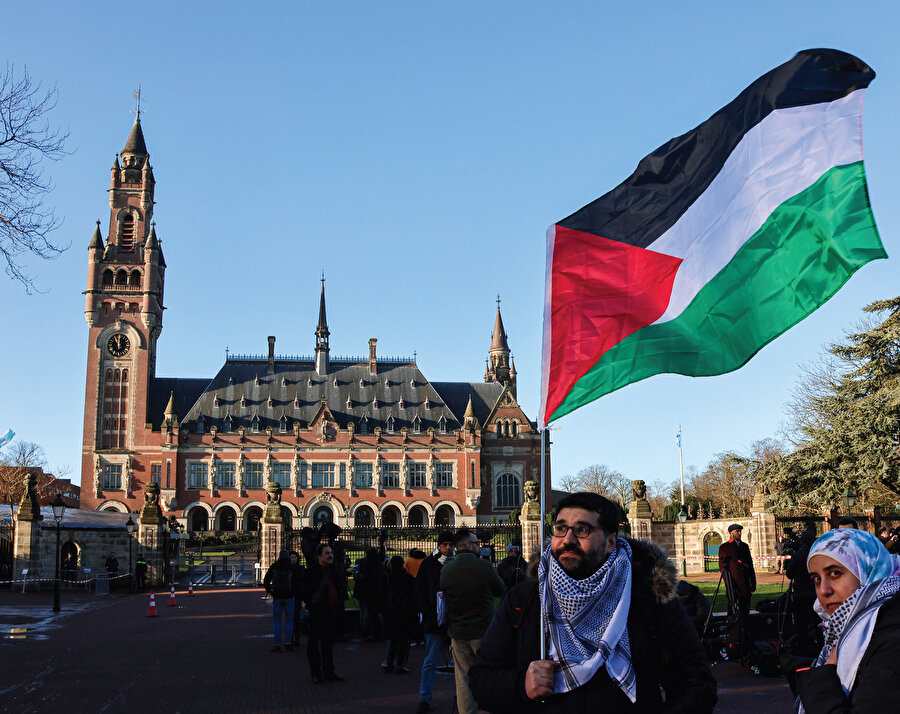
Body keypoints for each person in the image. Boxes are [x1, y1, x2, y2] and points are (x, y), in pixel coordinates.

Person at [469, 492, 717, 713]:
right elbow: (481, 681)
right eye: (560, 528)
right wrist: (520, 684)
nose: (567, 539)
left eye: (582, 530)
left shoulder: (647, 596)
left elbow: (697, 683)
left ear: (610, 542)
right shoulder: (525, 598)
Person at [795, 528, 900, 713]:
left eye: (835, 573)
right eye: (817, 579)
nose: (823, 590)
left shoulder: (891, 632)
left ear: (868, 568)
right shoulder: (841, 629)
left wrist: (823, 676)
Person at [440, 528, 506, 714]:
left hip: (458, 632)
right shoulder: (483, 566)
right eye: (476, 543)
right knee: (491, 674)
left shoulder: (446, 570)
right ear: (468, 545)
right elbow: (500, 590)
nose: (479, 546)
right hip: (483, 632)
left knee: (463, 680)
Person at [414, 530, 455, 714]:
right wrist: (428, 614)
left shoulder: (456, 564)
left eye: (450, 545)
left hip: (455, 621)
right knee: (430, 661)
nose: (448, 548)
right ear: (439, 546)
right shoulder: (428, 564)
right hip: (433, 620)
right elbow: (420, 591)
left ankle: (465, 697)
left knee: (461, 663)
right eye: (444, 544)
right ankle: (425, 698)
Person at [303, 542, 347, 683]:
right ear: (319, 556)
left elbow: (340, 587)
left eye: (331, 553)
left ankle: (329, 671)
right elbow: (305, 591)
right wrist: (311, 605)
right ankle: (316, 673)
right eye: (327, 553)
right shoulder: (311, 572)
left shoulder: (334, 570)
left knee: (328, 644)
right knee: (314, 644)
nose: (330, 556)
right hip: (317, 612)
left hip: (331, 611)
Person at [383, 554, 416, 673]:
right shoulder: (408, 578)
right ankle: (400, 664)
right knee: (403, 640)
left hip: (391, 611)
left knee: (393, 639)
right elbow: (412, 595)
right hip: (404, 611)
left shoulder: (387, 578)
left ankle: (390, 662)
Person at [718, 524, 756, 616]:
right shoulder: (725, 547)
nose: (739, 533)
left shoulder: (744, 546)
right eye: (737, 531)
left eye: (740, 531)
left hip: (745, 582)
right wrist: (728, 584)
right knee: (732, 610)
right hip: (733, 582)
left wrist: (753, 582)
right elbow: (723, 567)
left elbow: (750, 565)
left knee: (745, 609)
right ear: (731, 533)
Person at [263, 550, 296, 652]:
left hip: (277, 596)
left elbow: (266, 580)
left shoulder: (274, 566)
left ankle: (277, 645)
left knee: (277, 622)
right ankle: (288, 643)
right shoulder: (291, 567)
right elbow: (297, 581)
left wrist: (270, 591)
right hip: (289, 596)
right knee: (289, 622)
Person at [355, 547, 387, 640]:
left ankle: (366, 631)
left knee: (366, 613)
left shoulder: (364, 565)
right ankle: (379, 632)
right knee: (377, 613)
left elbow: (361, 577)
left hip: (366, 593)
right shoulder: (379, 565)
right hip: (377, 593)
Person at [289, 550, 307, 646]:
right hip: (290, 595)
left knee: (296, 617)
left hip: (298, 595)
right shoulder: (287, 569)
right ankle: (291, 638)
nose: (293, 559)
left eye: (295, 557)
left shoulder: (301, 568)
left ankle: (297, 638)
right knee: (290, 617)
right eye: (291, 557)